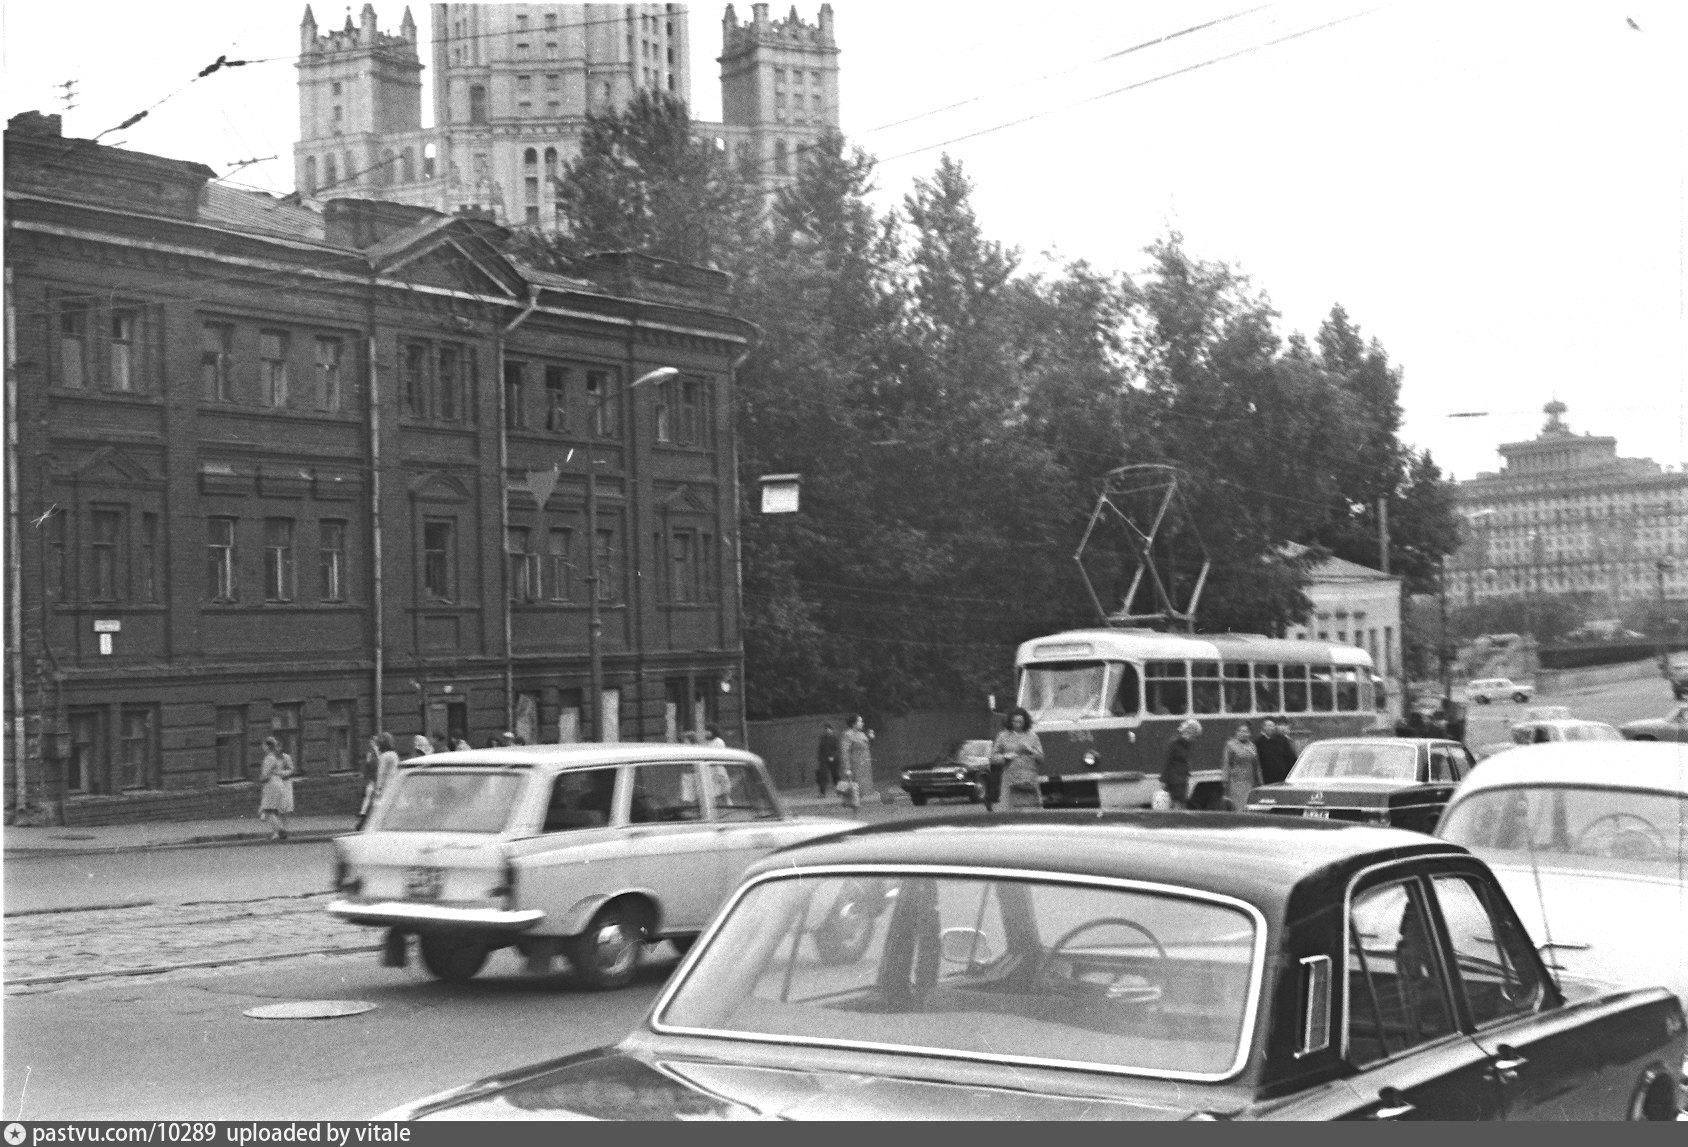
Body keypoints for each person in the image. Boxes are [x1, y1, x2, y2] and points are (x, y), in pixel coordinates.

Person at [991, 707, 1045, 811]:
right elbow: (993, 758)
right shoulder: (1002, 736)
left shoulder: (1033, 736)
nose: (1017, 724)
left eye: (1020, 722)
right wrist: (1005, 757)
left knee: (1031, 812)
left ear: (1025, 722)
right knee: (1010, 811)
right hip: (1010, 780)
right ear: (1010, 721)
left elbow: (1041, 758)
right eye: (1015, 721)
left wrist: (1031, 751)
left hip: (1028, 779)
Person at [359, 732, 401, 829]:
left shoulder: (384, 756)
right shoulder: (394, 754)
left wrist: (378, 789)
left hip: (385, 786)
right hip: (394, 783)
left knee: (378, 809)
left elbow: (381, 774)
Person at [258, 736, 296, 840]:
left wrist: (261, 779)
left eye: (263, 745)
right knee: (271, 809)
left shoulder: (269, 758)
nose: (262, 747)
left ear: (267, 746)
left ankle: (280, 831)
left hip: (272, 784)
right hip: (277, 783)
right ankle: (278, 831)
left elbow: (265, 775)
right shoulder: (274, 757)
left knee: (268, 810)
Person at [1160, 719, 1202, 809]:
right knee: (1177, 803)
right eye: (1193, 734)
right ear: (1187, 731)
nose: (1194, 738)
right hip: (1174, 779)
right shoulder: (1174, 743)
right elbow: (1167, 761)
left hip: (1182, 778)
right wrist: (1163, 780)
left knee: (1182, 802)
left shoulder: (1188, 744)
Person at [1222, 722, 1262, 812]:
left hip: (1250, 781)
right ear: (1236, 732)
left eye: (1246, 731)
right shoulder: (1230, 745)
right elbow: (1226, 763)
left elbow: (1257, 765)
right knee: (1238, 806)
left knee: (1249, 806)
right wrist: (1225, 781)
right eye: (1240, 731)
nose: (1243, 733)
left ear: (1250, 733)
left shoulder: (1252, 746)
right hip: (1237, 781)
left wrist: (1260, 781)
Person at [837, 714, 873, 811]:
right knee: (855, 788)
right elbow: (845, 752)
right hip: (855, 766)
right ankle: (852, 806)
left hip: (864, 766)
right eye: (860, 721)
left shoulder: (862, 734)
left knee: (861, 788)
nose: (862, 723)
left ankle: (852, 804)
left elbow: (865, 747)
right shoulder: (847, 735)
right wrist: (847, 768)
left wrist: (870, 738)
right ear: (854, 724)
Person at [1254, 718, 1297, 786]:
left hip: (1282, 777)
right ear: (1263, 727)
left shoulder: (1282, 739)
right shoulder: (1258, 742)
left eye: (1272, 726)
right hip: (1266, 777)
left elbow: (1291, 758)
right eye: (1268, 726)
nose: (1270, 728)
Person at [815, 721, 839, 797]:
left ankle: (839, 791)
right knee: (823, 776)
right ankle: (822, 793)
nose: (827, 730)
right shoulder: (822, 738)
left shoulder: (835, 738)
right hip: (824, 760)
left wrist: (832, 756)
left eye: (829, 729)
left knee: (835, 776)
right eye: (826, 729)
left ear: (832, 730)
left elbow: (836, 749)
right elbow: (820, 749)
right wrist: (820, 758)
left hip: (834, 760)